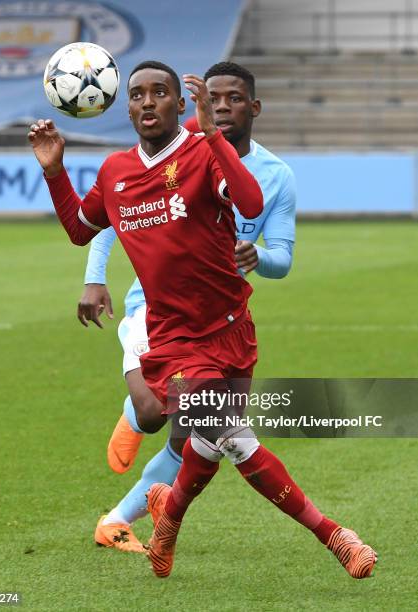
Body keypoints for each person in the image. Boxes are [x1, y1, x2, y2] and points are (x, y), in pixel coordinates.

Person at [27, 60, 376, 581]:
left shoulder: (199, 152)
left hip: (233, 323)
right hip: (175, 338)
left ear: (178, 104)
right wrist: (55, 171)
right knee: (233, 435)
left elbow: (252, 201)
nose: (148, 102)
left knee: (207, 443)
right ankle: (334, 535)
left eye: (160, 93)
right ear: (126, 106)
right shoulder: (116, 172)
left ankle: (167, 521)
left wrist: (211, 135)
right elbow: (82, 227)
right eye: (138, 95)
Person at [79, 62, 296, 554]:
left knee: (197, 440)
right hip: (154, 311)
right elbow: (115, 212)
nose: (220, 106)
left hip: (219, 320)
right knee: (163, 413)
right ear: (194, 107)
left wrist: (259, 257)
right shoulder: (181, 149)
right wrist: (95, 276)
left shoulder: (277, 175)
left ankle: (116, 519)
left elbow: (282, 258)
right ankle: (137, 412)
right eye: (212, 98)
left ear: (254, 108)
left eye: (233, 98)